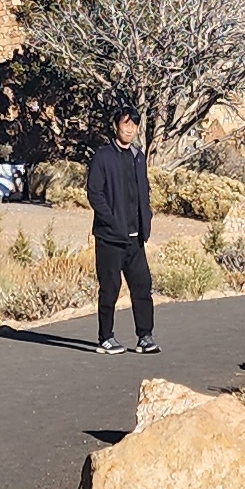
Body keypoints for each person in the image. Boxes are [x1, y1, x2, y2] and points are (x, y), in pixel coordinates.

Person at [86, 110, 157, 354]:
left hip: (135, 238)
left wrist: (145, 219)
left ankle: (145, 337)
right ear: (116, 125)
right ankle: (105, 337)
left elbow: (143, 193)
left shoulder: (138, 157)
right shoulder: (103, 157)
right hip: (110, 237)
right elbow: (94, 193)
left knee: (142, 286)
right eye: (125, 124)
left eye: (134, 125)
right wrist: (112, 221)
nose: (130, 129)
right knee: (110, 288)